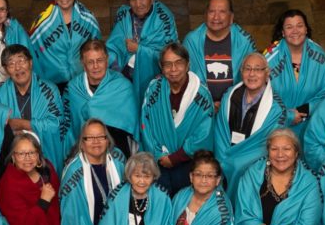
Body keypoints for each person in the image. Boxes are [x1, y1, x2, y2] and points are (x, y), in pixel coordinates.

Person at [213, 52, 288, 203]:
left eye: (258, 69)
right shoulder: (229, 95)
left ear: (267, 74)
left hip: (250, 161)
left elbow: (266, 144)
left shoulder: (275, 107)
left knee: (238, 167)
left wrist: (234, 160)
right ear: (241, 73)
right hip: (225, 152)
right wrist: (222, 156)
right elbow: (220, 129)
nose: (252, 74)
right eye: (247, 69)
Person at [140, 42, 214, 196]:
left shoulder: (201, 94)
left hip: (188, 161)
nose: (173, 69)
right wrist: (159, 154)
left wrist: (175, 158)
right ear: (161, 66)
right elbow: (145, 124)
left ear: (188, 64)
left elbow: (203, 134)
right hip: (159, 159)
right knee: (157, 199)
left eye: (178, 63)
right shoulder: (154, 89)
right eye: (168, 64)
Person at [0, 44, 65, 173]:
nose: (18, 67)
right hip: (16, 161)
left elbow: (56, 124)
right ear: (5, 69)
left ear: (30, 63)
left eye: (21, 60)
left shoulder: (49, 90)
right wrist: (11, 131)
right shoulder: (0, 95)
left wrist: (23, 124)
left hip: (45, 157)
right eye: (11, 64)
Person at [63, 40, 139, 158]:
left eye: (99, 60)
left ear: (107, 59)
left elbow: (131, 127)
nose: (95, 66)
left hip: (117, 150)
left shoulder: (122, 86)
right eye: (90, 62)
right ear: (83, 63)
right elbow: (70, 126)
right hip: (83, 150)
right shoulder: (73, 88)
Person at [107, 0, 178, 103]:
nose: (138, 4)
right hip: (124, 75)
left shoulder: (164, 19)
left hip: (153, 77)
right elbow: (113, 45)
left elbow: (170, 55)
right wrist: (115, 74)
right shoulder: (124, 15)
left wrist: (139, 49)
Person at [264, 9, 325, 137]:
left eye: (299, 26)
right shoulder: (269, 59)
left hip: (311, 126)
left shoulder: (320, 56)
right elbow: (258, 94)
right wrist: (288, 116)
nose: (295, 31)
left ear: (306, 29)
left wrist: (305, 110)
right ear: (283, 32)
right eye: (289, 27)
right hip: (277, 127)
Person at [183, 0, 256, 111]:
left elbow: (255, 77)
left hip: (236, 106)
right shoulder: (191, 41)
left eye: (222, 12)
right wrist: (206, 102)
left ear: (231, 17)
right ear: (205, 15)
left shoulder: (245, 42)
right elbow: (183, 77)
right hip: (198, 106)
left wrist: (230, 101)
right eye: (211, 11)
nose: (216, 17)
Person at [30, 0, 101, 92]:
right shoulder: (42, 22)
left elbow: (98, 49)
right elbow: (32, 51)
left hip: (83, 81)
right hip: (53, 85)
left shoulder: (88, 20)